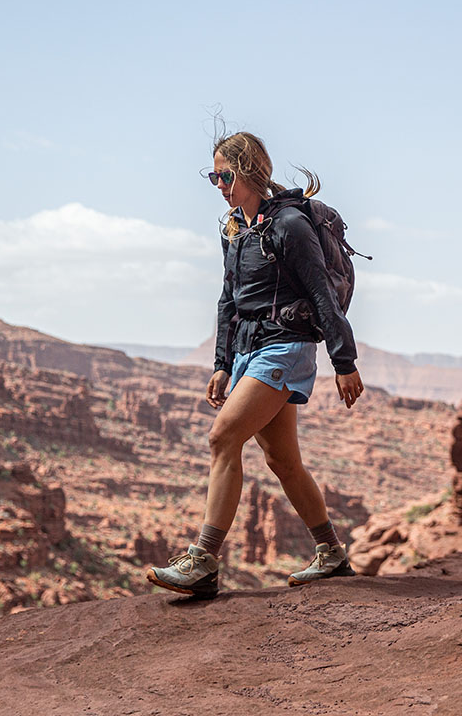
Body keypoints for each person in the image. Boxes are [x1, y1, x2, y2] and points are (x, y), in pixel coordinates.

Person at [146, 131, 365, 598]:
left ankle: (203, 561)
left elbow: (322, 295)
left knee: (223, 437)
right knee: (283, 460)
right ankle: (331, 553)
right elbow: (228, 299)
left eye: (224, 176)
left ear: (249, 171)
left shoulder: (290, 225)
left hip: (284, 348)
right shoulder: (235, 229)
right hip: (249, 351)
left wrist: (343, 360)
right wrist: (222, 363)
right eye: (213, 177)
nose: (219, 185)